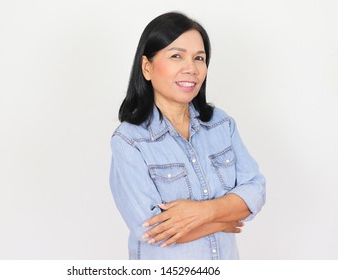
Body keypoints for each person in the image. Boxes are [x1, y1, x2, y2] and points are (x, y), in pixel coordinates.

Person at [109, 12, 266, 260]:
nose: (191, 68)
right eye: (176, 56)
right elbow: (151, 229)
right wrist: (223, 219)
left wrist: (203, 212)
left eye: (199, 58)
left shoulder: (221, 124)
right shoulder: (129, 140)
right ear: (147, 67)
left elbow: (255, 190)